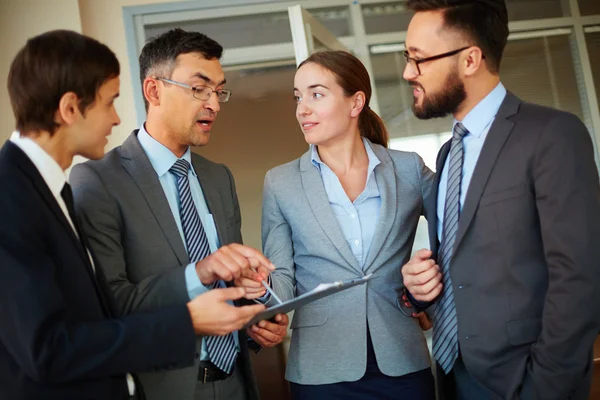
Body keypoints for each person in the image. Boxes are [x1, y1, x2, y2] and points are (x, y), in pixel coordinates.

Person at [0, 29, 266, 399]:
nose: (115, 118)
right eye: (110, 103)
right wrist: (188, 320)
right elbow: (53, 345)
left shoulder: (49, 189)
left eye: (218, 91)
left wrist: (253, 311)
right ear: (70, 108)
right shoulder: (25, 193)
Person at [70, 28, 288, 400]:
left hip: (237, 382)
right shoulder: (96, 181)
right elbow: (110, 304)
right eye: (199, 88)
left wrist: (256, 315)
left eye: (219, 91)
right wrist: (198, 273)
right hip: (160, 389)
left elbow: (229, 285)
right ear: (154, 90)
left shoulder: (219, 178)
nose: (214, 104)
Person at [399, 1, 600, 399]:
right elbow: (468, 266)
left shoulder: (553, 135)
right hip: (455, 378)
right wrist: (419, 289)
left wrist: (543, 387)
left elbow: (581, 277)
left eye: (419, 59)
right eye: (407, 58)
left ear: (471, 59)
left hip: (525, 382)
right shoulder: (446, 155)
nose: (408, 72)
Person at [253, 50, 435, 399]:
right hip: (321, 370)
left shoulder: (408, 169)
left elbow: (459, 233)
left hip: (402, 361)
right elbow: (283, 278)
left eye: (316, 94)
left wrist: (425, 296)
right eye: (298, 97)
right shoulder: (280, 182)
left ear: (355, 103)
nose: (301, 108)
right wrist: (262, 298)